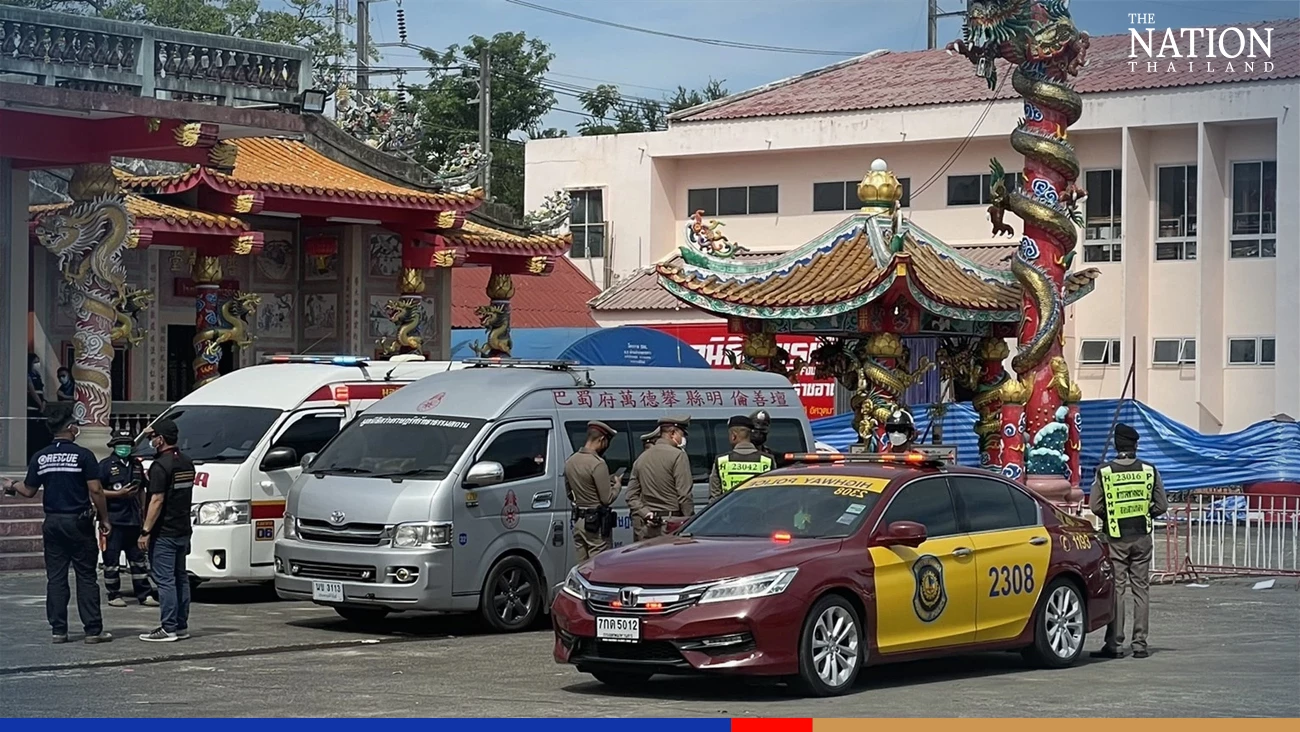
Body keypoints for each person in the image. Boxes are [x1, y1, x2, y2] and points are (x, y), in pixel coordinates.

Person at [1, 402, 113, 644]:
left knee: (56, 578)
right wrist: (105, 519)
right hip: (79, 523)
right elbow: (96, 490)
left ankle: (59, 630)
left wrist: (10, 486)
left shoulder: (40, 457)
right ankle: (93, 630)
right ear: (71, 427)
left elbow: (29, 490)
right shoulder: (84, 455)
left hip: (53, 523)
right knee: (85, 576)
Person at [1089, 423, 1168, 660]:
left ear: (1116, 445)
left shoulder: (1105, 472)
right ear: (1135, 445)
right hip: (1142, 537)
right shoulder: (1149, 470)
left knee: (1118, 589)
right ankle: (1140, 644)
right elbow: (1162, 505)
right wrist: (1144, 513)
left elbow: (1095, 506)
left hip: (1115, 538)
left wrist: (1111, 515)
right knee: (1141, 590)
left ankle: (1114, 644)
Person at [137, 419, 196, 642]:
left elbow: (157, 500)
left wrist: (145, 531)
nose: (151, 440)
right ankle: (181, 625)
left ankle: (168, 627)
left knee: (165, 580)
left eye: (152, 437)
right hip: (183, 529)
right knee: (180, 577)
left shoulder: (160, 466)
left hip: (164, 532)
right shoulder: (186, 462)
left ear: (161, 439)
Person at [99, 429, 158, 608]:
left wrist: (142, 512)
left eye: (126, 444)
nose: (124, 447)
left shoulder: (137, 465)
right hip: (113, 521)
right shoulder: (105, 465)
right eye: (120, 444)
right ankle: (114, 594)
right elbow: (96, 491)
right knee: (112, 561)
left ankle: (144, 594)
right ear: (114, 446)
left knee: (138, 560)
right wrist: (118, 494)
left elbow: (141, 490)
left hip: (133, 521)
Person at [626, 415, 694, 542]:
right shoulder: (678, 456)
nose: (683, 438)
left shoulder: (642, 458)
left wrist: (646, 513)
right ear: (672, 433)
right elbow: (684, 495)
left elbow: (631, 496)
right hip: (671, 524)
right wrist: (690, 521)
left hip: (648, 525)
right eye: (682, 434)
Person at [564, 421, 622, 561]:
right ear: (602, 439)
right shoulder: (597, 463)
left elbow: (569, 493)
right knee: (599, 566)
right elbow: (606, 499)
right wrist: (617, 486)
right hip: (596, 525)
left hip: (579, 520)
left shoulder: (570, 461)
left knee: (582, 566)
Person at [709, 415, 774, 501]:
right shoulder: (768, 460)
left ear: (733, 436)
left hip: (730, 513)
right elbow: (772, 494)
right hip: (759, 512)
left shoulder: (721, 461)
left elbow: (714, 498)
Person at [26, 353, 49, 461]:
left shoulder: (38, 375)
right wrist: (40, 404)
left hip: (41, 408)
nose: (37, 364)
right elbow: (32, 391)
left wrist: (44, 402)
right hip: (32, 408)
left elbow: (42, 390)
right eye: (35, 362)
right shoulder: (28, 375)